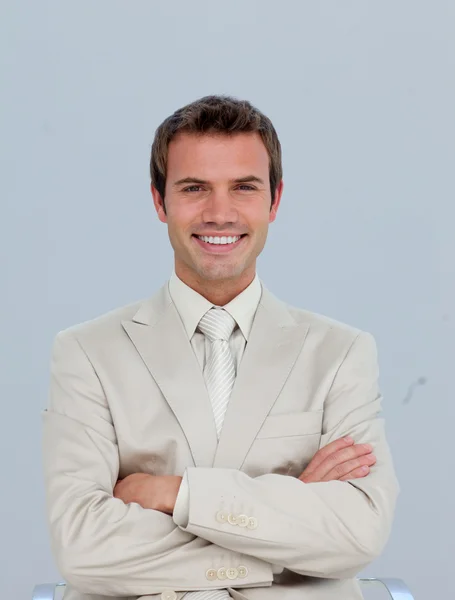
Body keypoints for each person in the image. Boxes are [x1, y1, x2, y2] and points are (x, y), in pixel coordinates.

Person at [42, 95, 399, 600]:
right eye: (194, 188)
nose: (219, 212)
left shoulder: (341, 353)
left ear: (274, 202)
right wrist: (291, 519)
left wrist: (175, 493)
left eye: (244, 187)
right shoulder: (86, 353)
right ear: (159, 201)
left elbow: (358, 534)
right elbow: (82, 547)